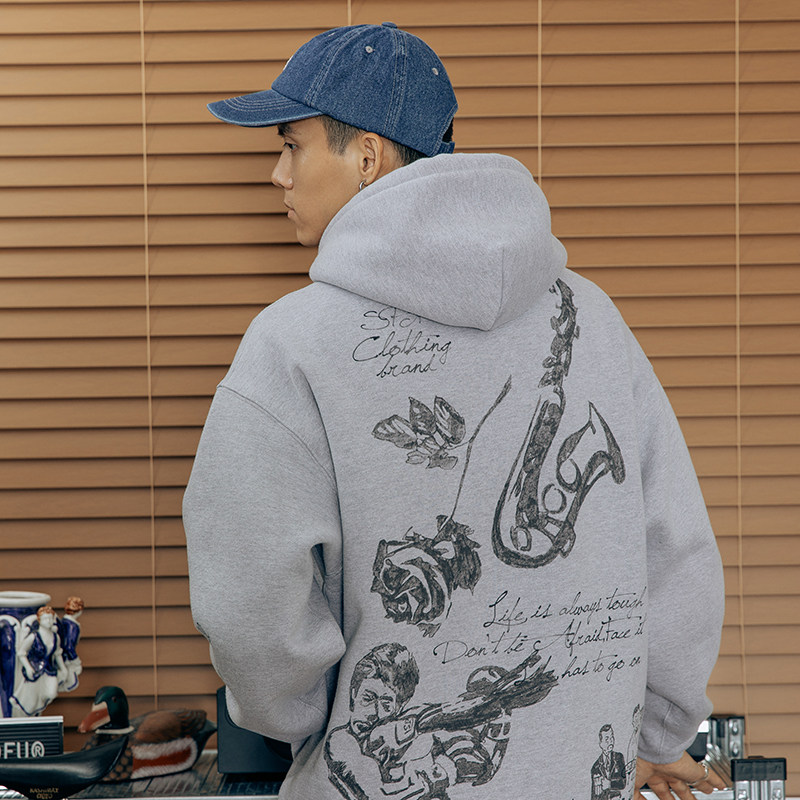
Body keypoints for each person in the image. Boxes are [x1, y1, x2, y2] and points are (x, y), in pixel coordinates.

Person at [183, 22, 727, 800]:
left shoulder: (291, 344)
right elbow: (678, 555)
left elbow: (250, 608)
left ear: (366, 155)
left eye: (292, 146)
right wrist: (655, 735)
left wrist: (304, 721)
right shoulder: (597, 321)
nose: (278, 174)